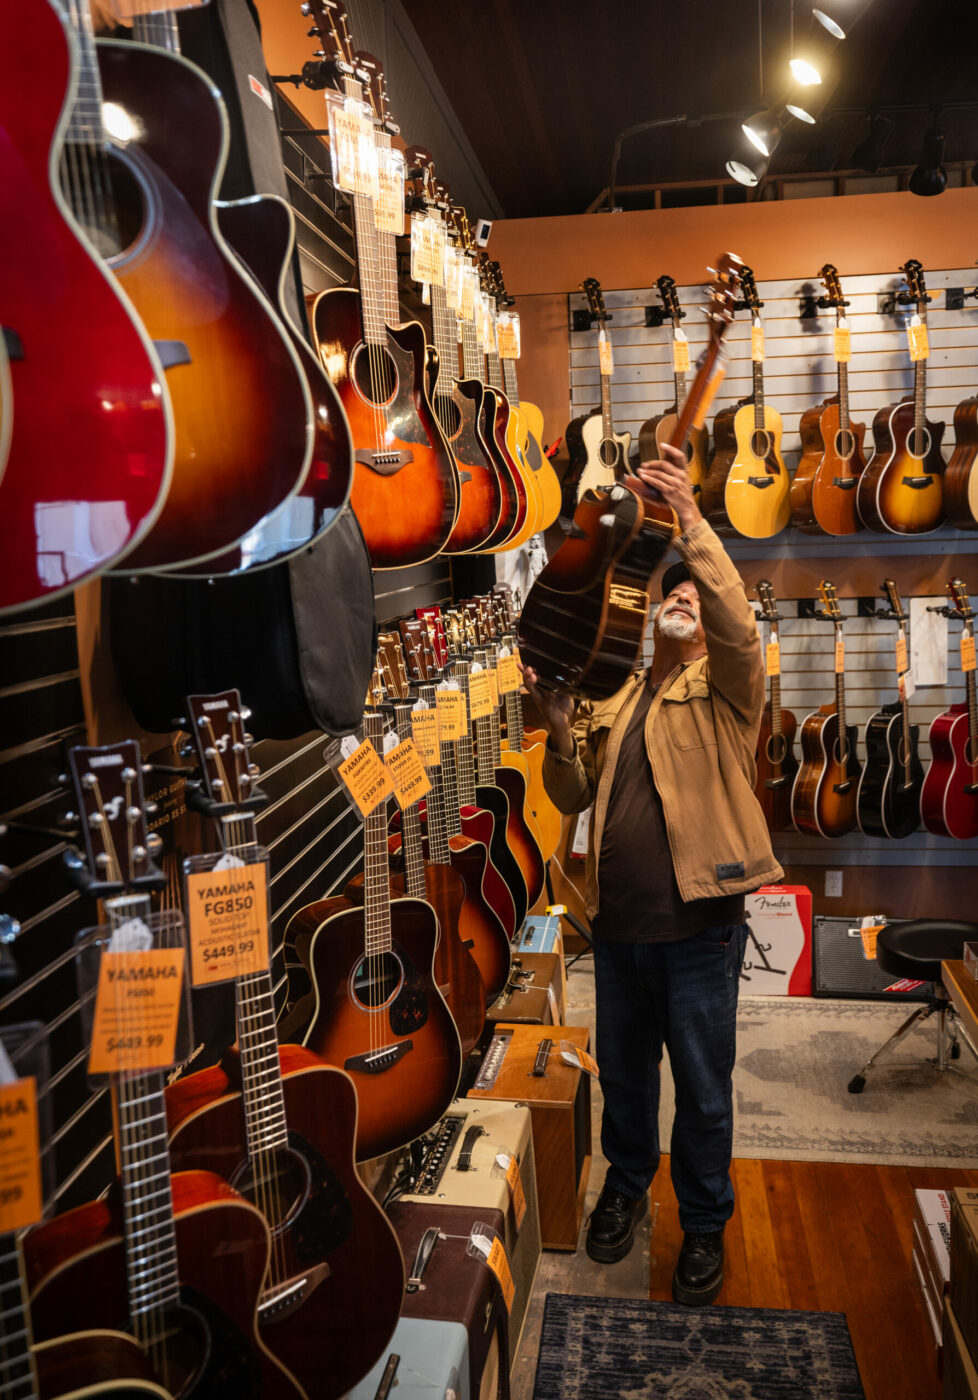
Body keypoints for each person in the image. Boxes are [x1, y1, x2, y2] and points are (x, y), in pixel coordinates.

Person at [522, 443, 782, 1306]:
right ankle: (626, 1191)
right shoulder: (622, 693)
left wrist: (698, 528)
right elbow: (571, 791)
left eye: (690, 597)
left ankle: (705, 1226)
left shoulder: (730, 688)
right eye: (668, 593)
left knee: (703, 1092)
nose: (679, 602)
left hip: (699, 928)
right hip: (621, 927)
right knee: (627, 1081)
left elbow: (740, 625)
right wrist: (560, 724)